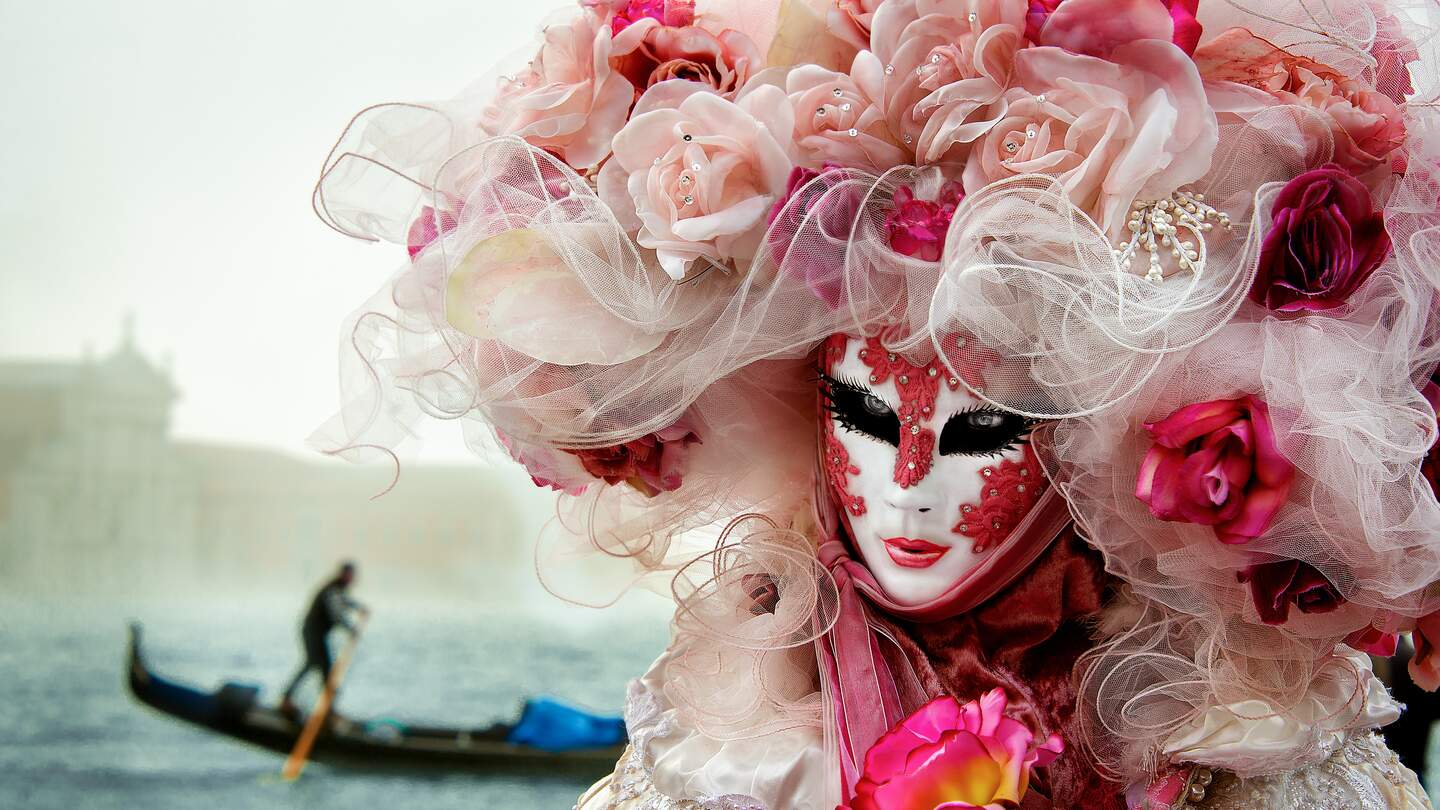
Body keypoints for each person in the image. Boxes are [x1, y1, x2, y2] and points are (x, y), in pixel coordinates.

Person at [314, 0, 1440, 807]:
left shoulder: (1248, 752)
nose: (907, 484)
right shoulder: (731, 757)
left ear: (1085, 454)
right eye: (861, 419)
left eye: (986, 432)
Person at [279, 562, 367, 720]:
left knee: (326, 668)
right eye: (350, 575)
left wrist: (359, 607)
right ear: (343, 574)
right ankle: (287, 699)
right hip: (312, 632)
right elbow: (336, 614)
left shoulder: (338, 589)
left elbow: (344, 602)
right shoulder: (331, 589)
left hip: (319, 634)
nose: (352, 579)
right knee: (314, 663)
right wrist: (350, 629)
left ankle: (327, 708)